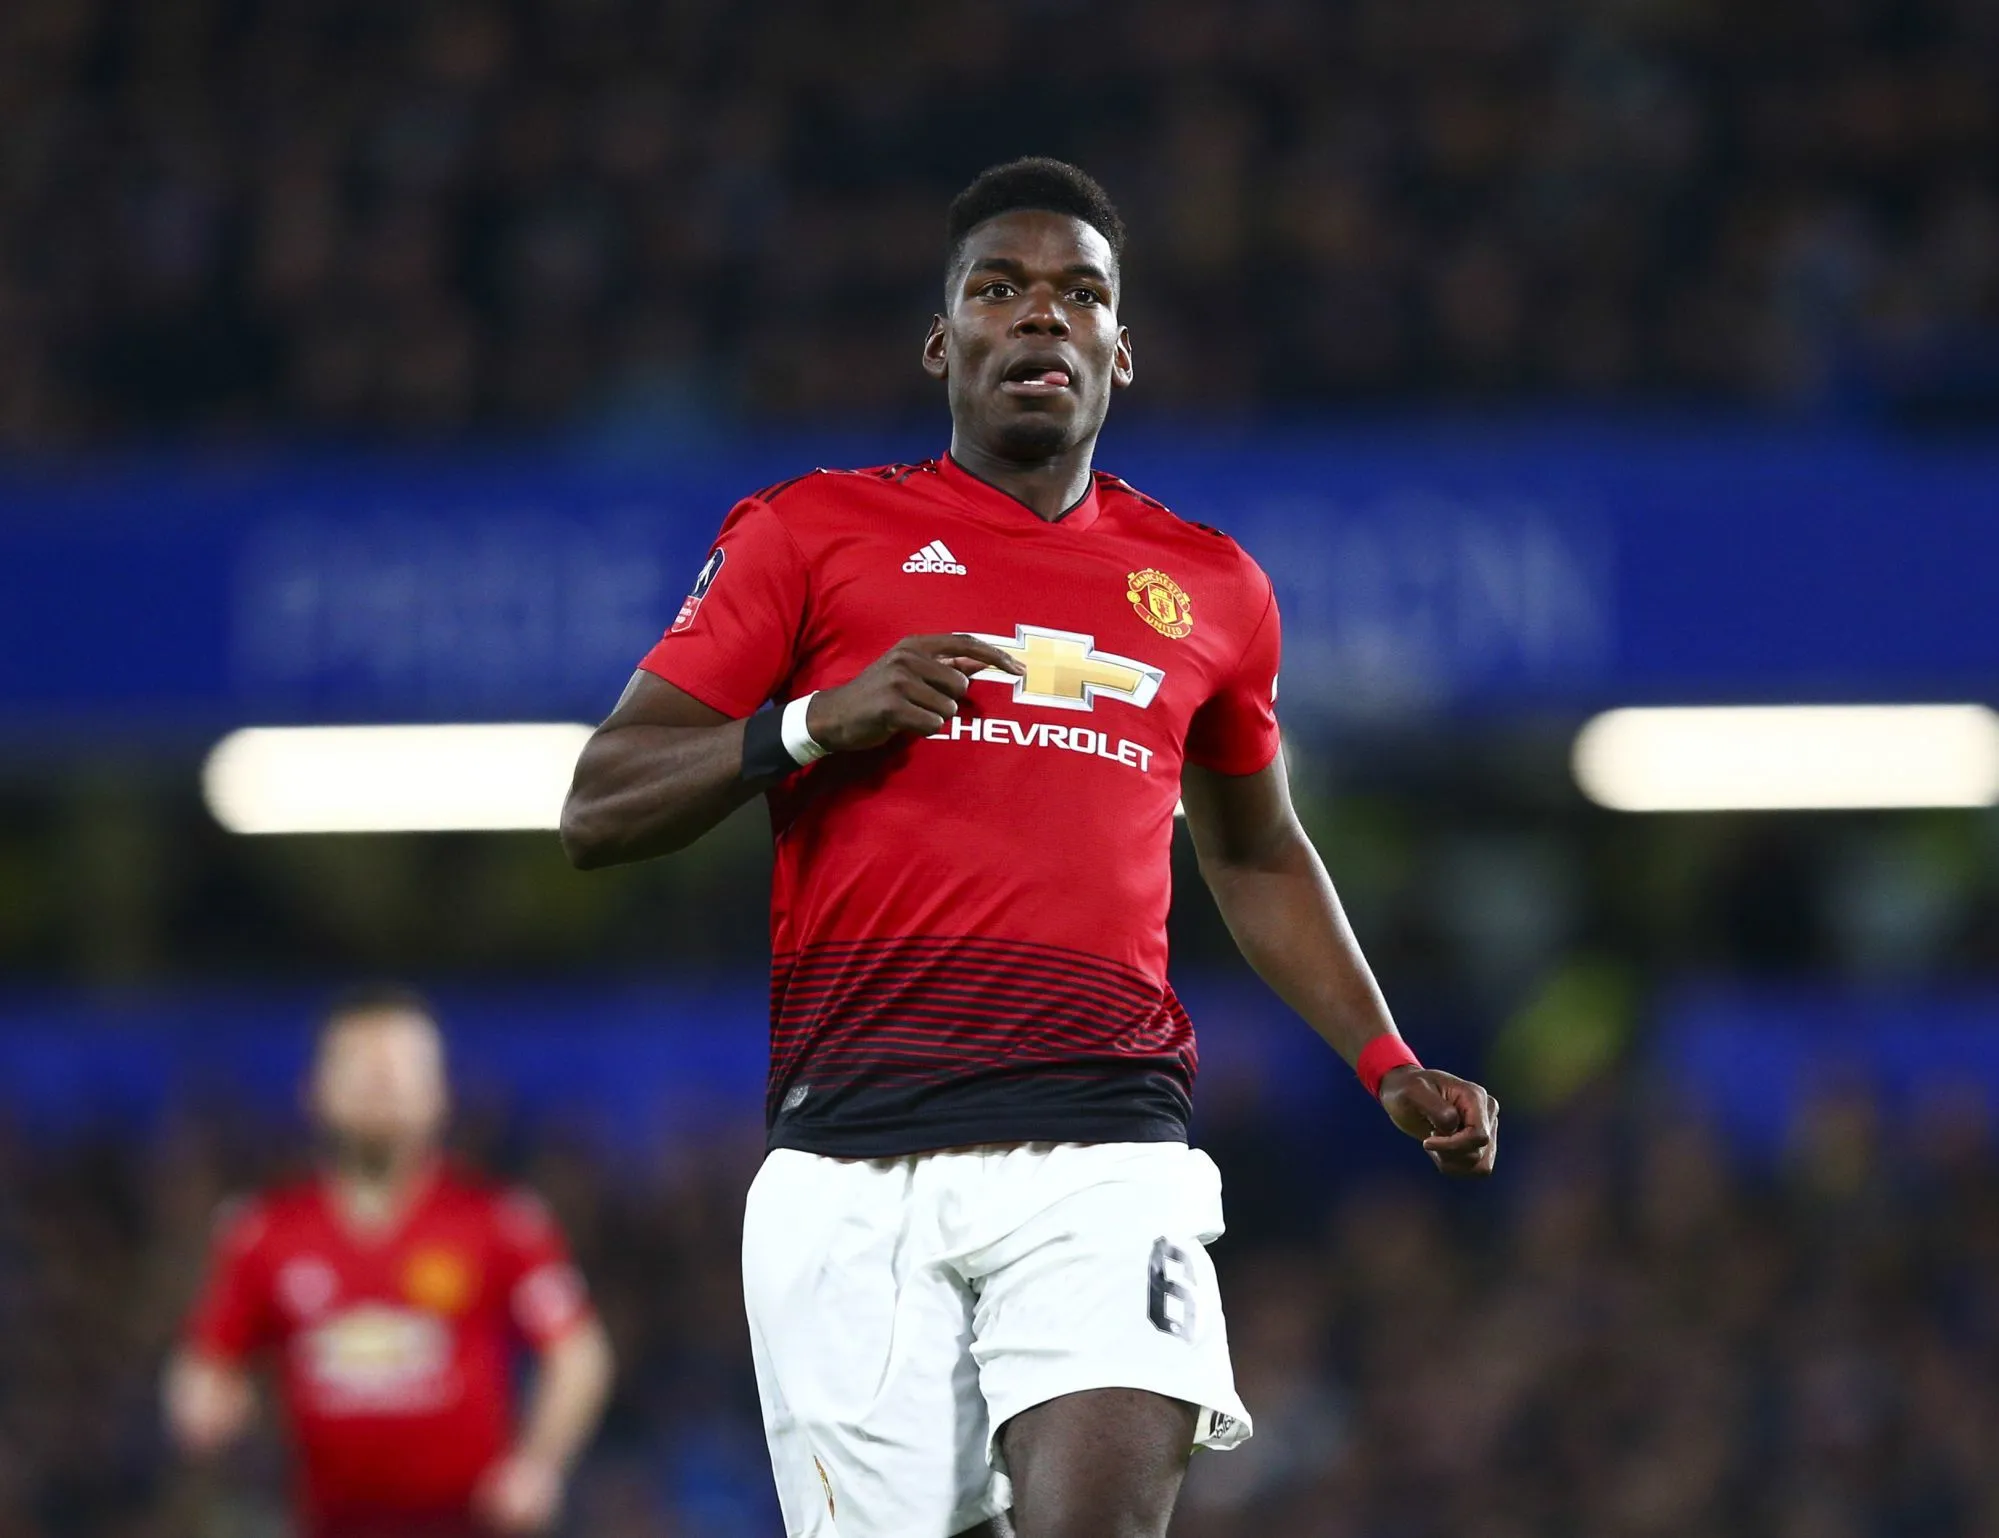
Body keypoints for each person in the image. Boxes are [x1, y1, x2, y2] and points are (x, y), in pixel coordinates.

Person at [559, 157, 1499, 1538]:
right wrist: (814, 722)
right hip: (850, 1165)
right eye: (997, 289)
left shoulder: (1211, 588)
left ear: (1122, 349)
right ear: (941, 344)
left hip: (1103, 1144)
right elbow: (600, 803)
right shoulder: (808, 535)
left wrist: (1386, 1057)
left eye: (1080, 294)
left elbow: (1254, 852)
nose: (1041, 314)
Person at [165, 986, 614, 1538]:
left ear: (441, 1092)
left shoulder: (499, 1222)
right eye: (360, 1065)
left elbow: (579, 1355)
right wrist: (204, 1406)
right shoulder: (264, 1234)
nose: (382, 1081)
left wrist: (538, 1464)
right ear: (313, 1090)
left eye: (401, 1066)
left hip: (470, 1526)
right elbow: (203, 1367)